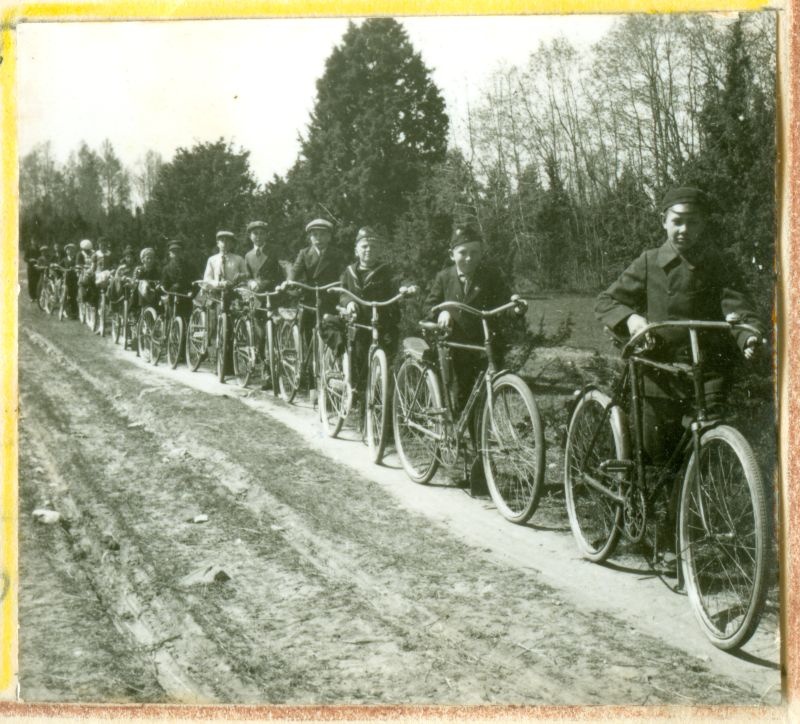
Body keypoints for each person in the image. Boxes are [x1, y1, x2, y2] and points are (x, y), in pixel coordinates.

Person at [595, 186, 764, 464]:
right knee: (657, 459)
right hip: (658, 374)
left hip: (706, 373)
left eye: (692, 221)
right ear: (664, 221)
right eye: (677, 221)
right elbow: (606, 301)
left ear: (703, 224)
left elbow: (738, 308)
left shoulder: (718, 264)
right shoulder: (649, 262)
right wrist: (631, 318)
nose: (684, 229)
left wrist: (748, 338)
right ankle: (646, 505)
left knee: (706, 453)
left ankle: (694, 505)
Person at [425, 224, 513, 417]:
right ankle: (457, 438)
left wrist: (514, 307)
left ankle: (477, 444)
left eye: (475, 252)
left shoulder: (490, 276)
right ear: (451, 254)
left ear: (481, 253)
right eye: (462, 252)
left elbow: (503, 302)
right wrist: (442, 311)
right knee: (459, 399)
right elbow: (429, 306)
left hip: (484, 345)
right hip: (455, 347)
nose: (469, 258)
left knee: (482, 401)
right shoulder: (444, 277)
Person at [338, 226, 401, 391]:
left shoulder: (387, 271)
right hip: (360, 324)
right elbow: (343, 292)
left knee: (388, 359)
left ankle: (383, 397)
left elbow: (400, 281)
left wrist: (406, 288)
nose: (369, 250)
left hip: (383, 324)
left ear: (379, 250)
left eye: (373, 247)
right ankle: (359, 393)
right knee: (359, 357)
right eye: (364, 246)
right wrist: (349, 302)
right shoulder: (349, 271)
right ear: (356, 250)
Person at [289, 218, 347, 343]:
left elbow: (342, 273)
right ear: (310, 237)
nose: (319, 238)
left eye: (323, 234)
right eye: (315, 234)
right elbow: (295, 271)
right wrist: (290, 281)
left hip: (330, 295)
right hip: (309, 296)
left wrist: (343, 285)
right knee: (306, 329)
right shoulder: (304, 253)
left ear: (329, 237)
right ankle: (307, 358)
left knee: (332, 325)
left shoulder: (337, 254)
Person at [244, 220, 284, 293]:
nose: (258, 236)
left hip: (274, 292)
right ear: (250, 236)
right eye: (255, 233)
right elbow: (248, 277)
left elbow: (285, 266)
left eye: (262, 233)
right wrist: (251, 283)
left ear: (266, 235)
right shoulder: (248, 255)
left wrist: (286, 282)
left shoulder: (275, 250)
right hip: (257, 295)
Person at [161, 240, 194, 319]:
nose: (176, 254)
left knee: (186, 319)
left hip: (185, 296)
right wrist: (164, 288)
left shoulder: (189, 266)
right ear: (170, 254)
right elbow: (165, 284)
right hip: (172, 297)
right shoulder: (166, 268)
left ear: (181, 252)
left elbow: (194, 280)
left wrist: (192, 291)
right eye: (173, 251)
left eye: (178, 251)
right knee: (171, 316)